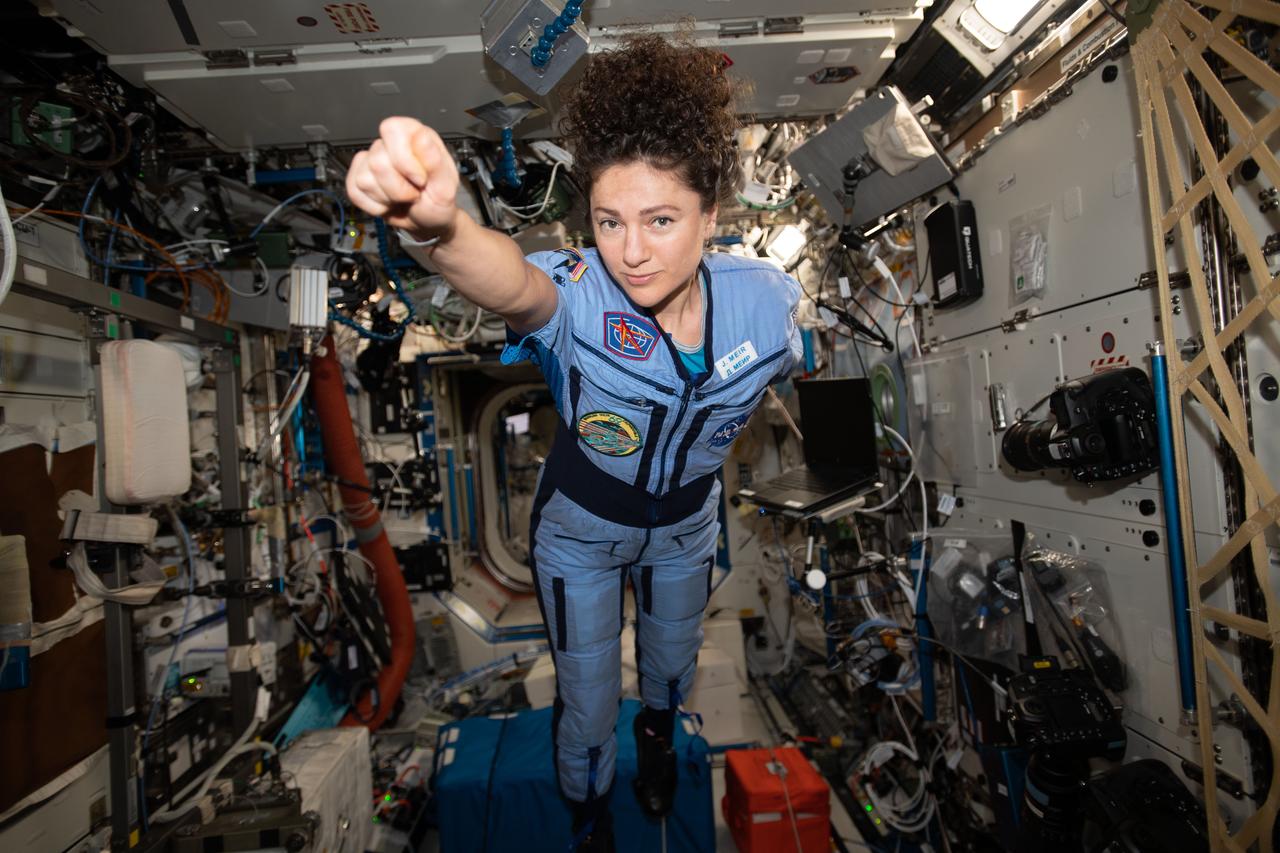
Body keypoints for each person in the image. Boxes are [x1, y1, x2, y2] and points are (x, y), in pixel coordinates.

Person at [346, 34, 801, 852]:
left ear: (712, 215)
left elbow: (795, 369)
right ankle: (589, 818)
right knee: (588, 704)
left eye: (662, 220)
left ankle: (658, 744)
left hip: (688, 524)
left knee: (668, 670)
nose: (631, 251)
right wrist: (439, 229)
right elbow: (511, 281)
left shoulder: (769, 306)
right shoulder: (579, 297)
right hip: (582, 528)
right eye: (609, 221)